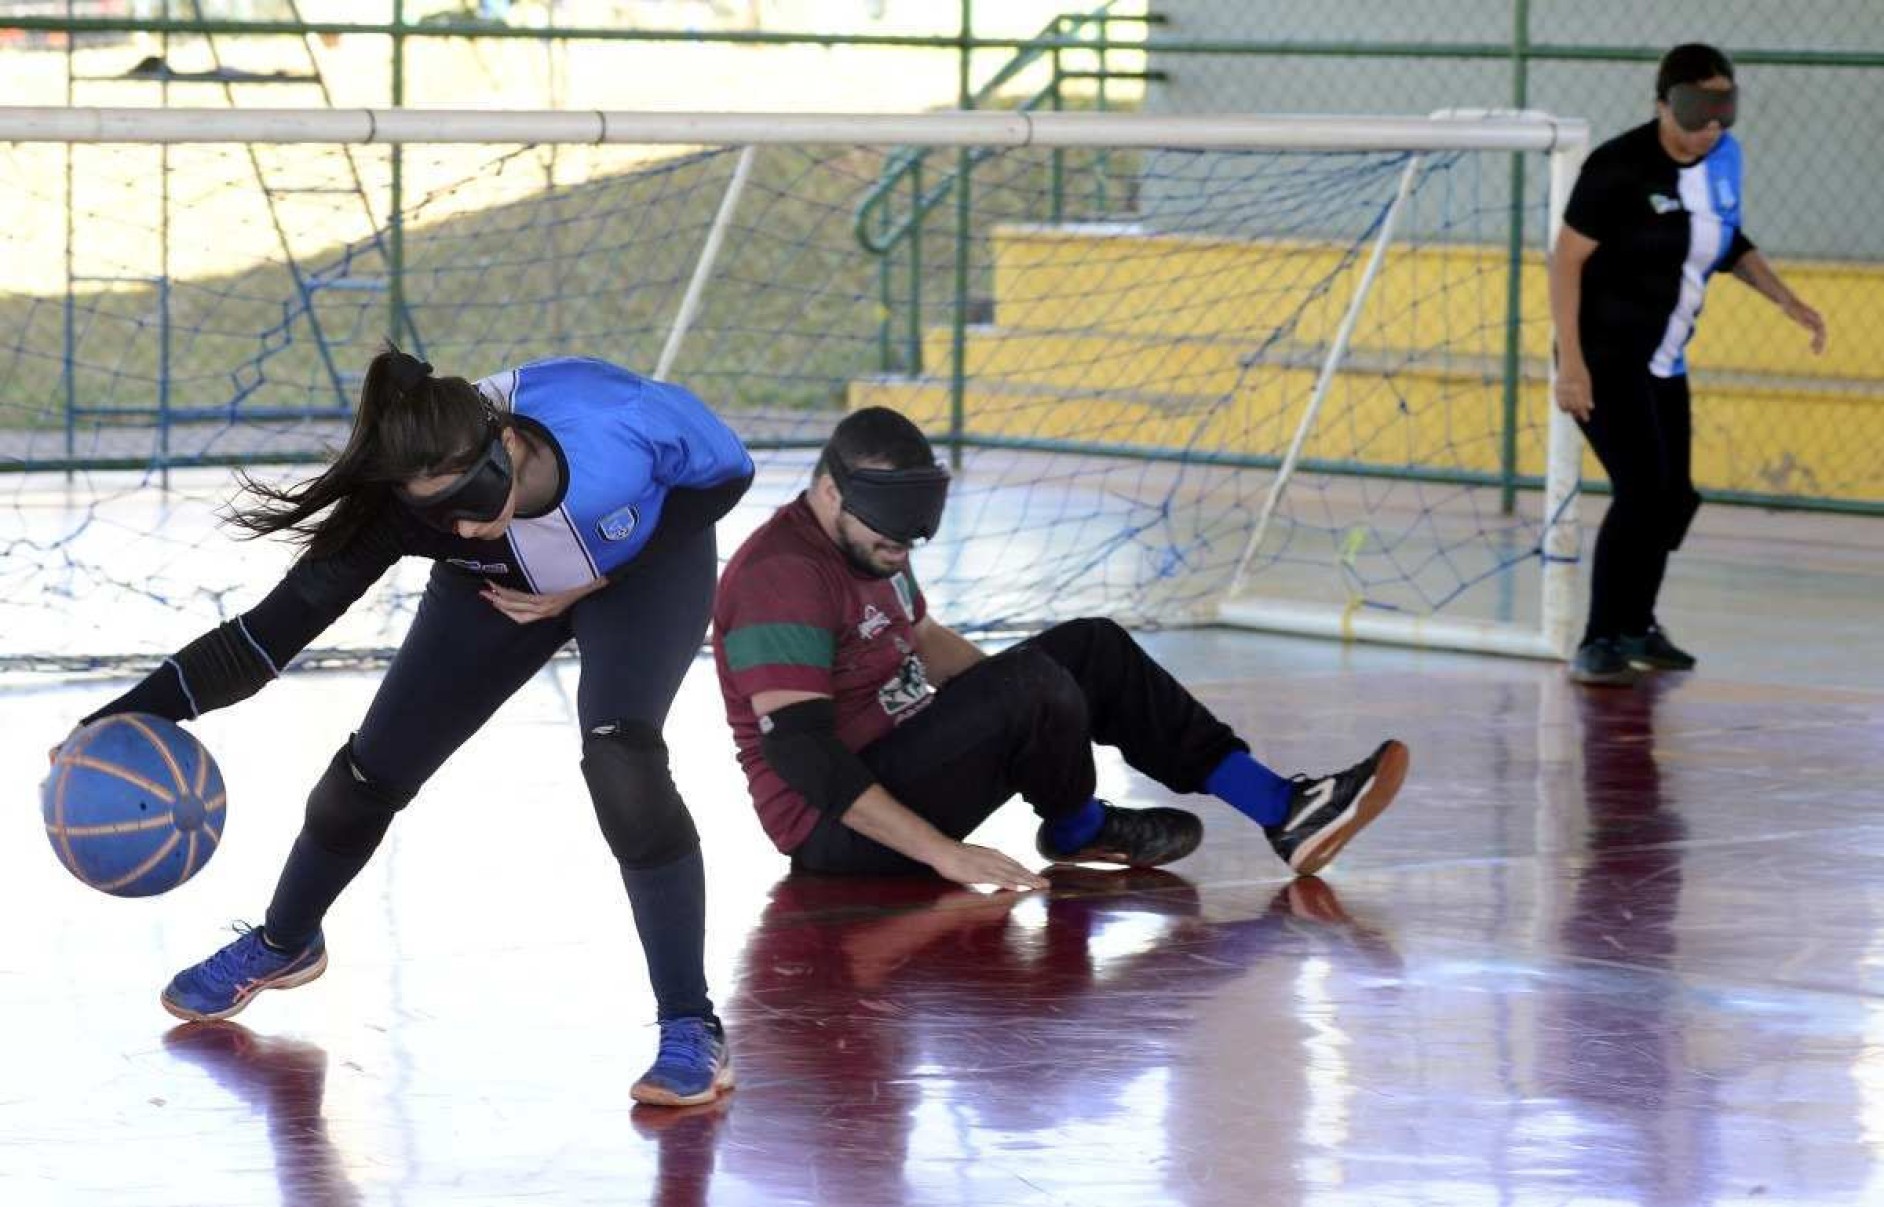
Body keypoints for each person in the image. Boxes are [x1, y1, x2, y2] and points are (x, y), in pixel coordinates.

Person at [62, 350, 752, 1108]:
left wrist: (603, 576)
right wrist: (119, 715)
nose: (456, 522)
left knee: (622, 757)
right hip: (501, 588)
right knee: (366, 773)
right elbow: (264, 639)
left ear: (509, 446)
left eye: (468, 498)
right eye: (435, 516)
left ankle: (691, 1023)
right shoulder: (407, 502)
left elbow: (728, 474)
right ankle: (284, 941)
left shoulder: (610, 421)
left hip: (644, 566)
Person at [709, 406, 1409, 890]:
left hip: (910, 759)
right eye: (887, 541)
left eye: (909, 543)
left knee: (1089, 649)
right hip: (839, 829)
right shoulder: (783, 577)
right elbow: (803, 755)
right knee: (1034, 688)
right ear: (829, 491)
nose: (899, 554)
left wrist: (1033, 709)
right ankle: (1079, 826)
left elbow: (919, 637)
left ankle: (1285, 810)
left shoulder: (872, 543)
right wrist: (945, 855)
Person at [1549, 42, 1827, 686]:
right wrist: (1572, 364)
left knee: (1673, 497)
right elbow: (1566, 262)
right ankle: (1599, 640)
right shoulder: (1617, 168)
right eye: (1697, 110)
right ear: (1662, 104)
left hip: (1664, 361)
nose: (1710, 127)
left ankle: (1638, 625)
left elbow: (1727, 242)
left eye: (1722, 111)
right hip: (1605, 355)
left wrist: (1787, 299)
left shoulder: (1723, 160)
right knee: (1643, 492)